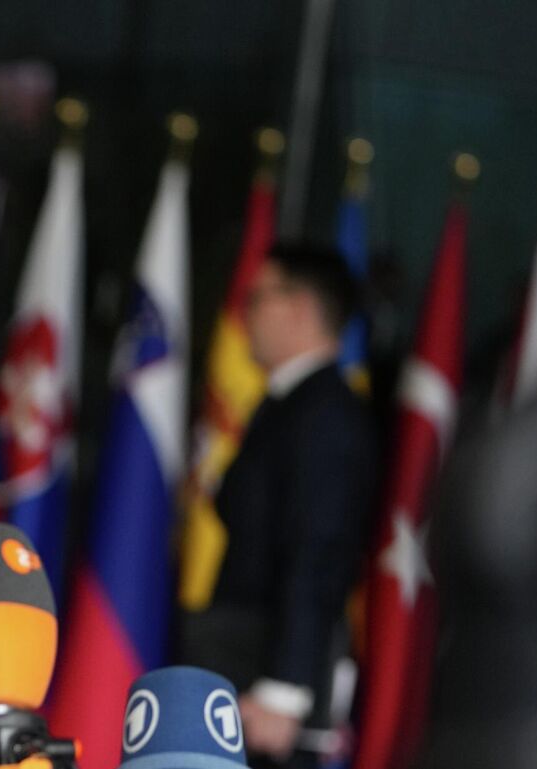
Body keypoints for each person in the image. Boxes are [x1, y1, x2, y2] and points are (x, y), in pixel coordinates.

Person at [178, 243, 376, 769]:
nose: (245, 312)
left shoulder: (325, 415)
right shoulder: (290, 404)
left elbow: (319, 552)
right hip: (243, 659)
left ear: (301, 307)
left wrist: (284, 688)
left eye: (257, 297)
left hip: (267, 681)